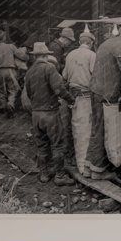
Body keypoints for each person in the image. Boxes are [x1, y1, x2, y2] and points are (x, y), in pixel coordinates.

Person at [23, 42, 75, 185]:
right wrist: (71, 100)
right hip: (50, 113)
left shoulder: (29, 71)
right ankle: (60, 176)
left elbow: (29, 93)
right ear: (46, 55)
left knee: (42, 145)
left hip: (36, 114)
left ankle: (44, 174)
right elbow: (59, 89)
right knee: (57, 144)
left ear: (35, 56)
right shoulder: (49, 68)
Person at [63, 31, 110, 179]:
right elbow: (96, 77)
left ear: (79, 42)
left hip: (73, 96)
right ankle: (84, 167)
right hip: (86, 96)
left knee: (77, 129)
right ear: (91, 43)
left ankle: (81, 164)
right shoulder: (92, 55)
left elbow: (64, 76)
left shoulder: (70, 55)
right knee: (86, 131)